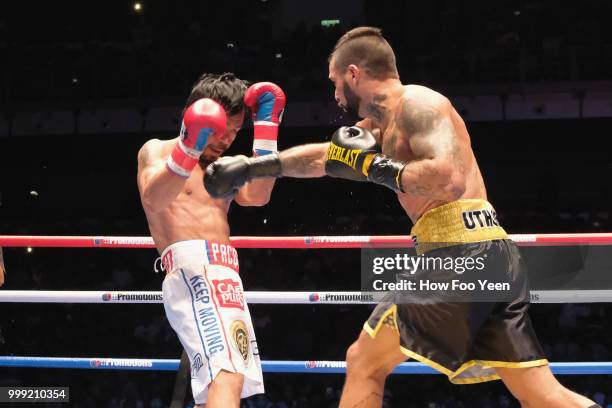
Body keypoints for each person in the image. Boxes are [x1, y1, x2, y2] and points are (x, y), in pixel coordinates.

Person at [203, 28, 599, 408]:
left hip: (460, 254)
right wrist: (256, 167)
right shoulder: (378, 125)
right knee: (541, 396)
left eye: (335, 81)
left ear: (353, 73)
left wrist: (376, 168)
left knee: (363, 361)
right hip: (485, 254)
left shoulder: (420, 104)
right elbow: (324, 158)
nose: (335, 92)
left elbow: (447, 177)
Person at [137, 72, 286, 407]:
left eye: (235, 131)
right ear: (196, 114)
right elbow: (154, 198)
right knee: (227, 376)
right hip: (194, 274)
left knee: (219, 385)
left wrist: (266, 132)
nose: (228, 140)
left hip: (227, 276)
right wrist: (190, 146)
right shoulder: (157, 151)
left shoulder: (222, 167)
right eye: (222, 129)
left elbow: (257, 197)